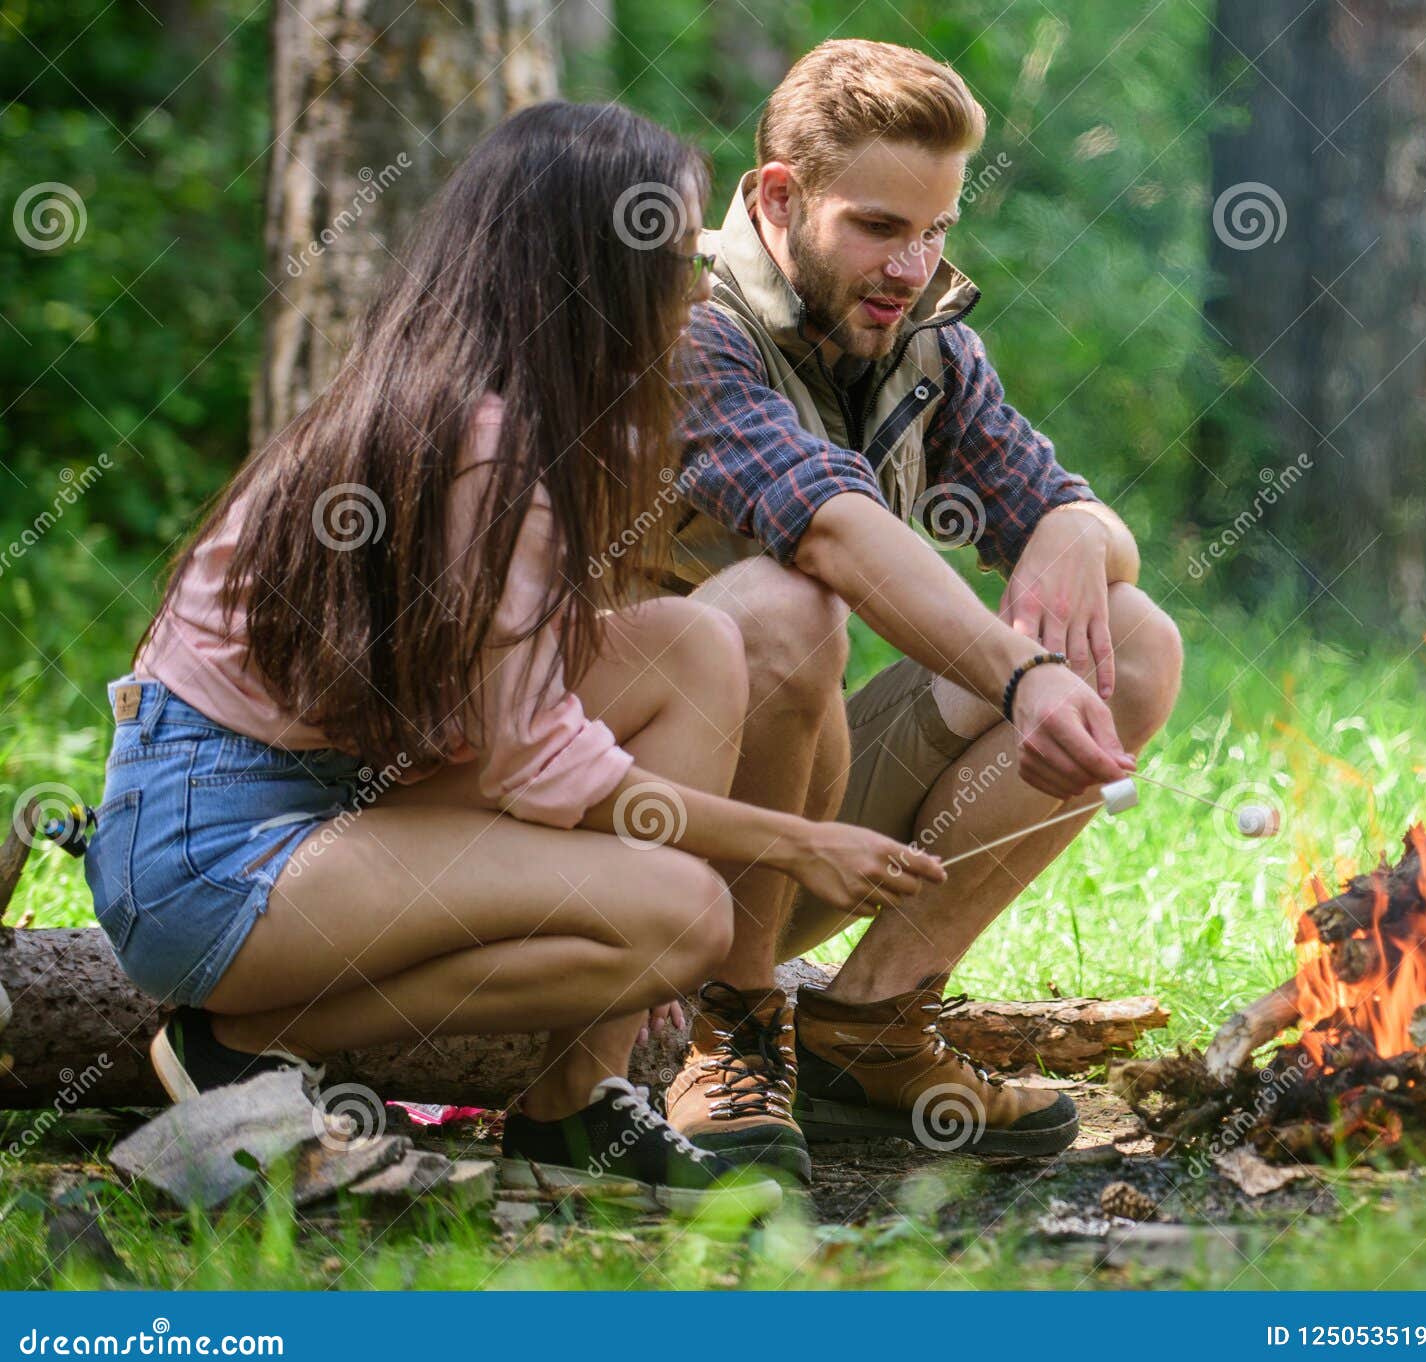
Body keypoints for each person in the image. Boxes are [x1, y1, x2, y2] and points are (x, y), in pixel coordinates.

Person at [82, 100, 941, 1214]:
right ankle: (233, 1040)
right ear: (594, 272)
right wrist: (797, 841)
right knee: (683, 914)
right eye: (673, 255)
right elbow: (550, 775)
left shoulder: (508, 413)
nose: (692, 287)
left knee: (691, 642)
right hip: (212, 855)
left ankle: (572, 1105)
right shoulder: (480, 447)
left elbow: (527, 714)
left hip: (329, 797)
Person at [656, 41, 1184, 1182]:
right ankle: (728, 1028)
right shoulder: (687, 327)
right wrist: (1016, 674)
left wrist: (1067, 528)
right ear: (781, 196)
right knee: (784, 605)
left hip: (796, 818)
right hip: (632, 832)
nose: (914, 263)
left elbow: (1095, 532)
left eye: (937, 230)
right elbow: (831, 528)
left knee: (1130, 641)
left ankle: (870, 1031)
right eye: (879, 227)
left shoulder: (924, 336)